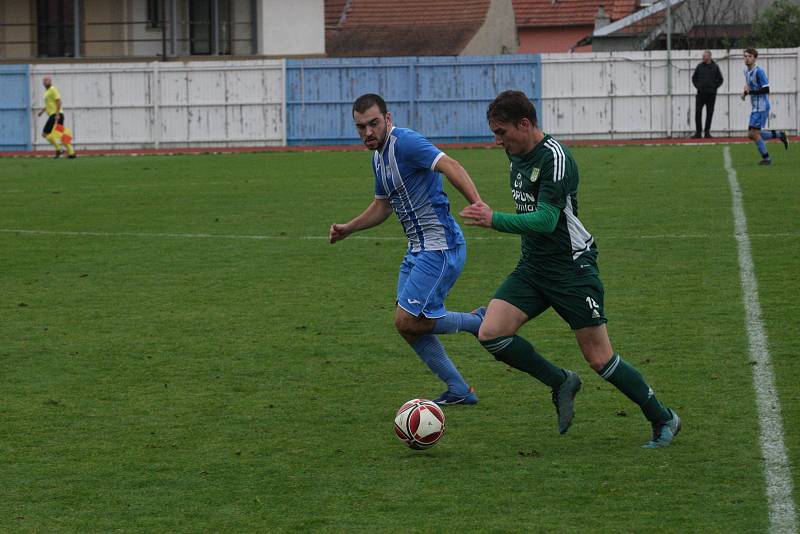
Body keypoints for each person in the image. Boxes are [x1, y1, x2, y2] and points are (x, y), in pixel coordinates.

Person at [459, 90, 680, 448]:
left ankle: (663, 417)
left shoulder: (556, 158)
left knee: (598, 357)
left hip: (571, 268)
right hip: (533, 267)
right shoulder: (516, 155)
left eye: (501, 132)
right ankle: (561, 381)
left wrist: (493, 219)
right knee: (492, 333)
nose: (497, 140)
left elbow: (547, 220)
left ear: (525, 124)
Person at [329, 93, 485, 406]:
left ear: (387, 119)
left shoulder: (406, 143)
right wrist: (349, 228)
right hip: (417, 249)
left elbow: (450, 165)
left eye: (374, 123)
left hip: (441, 247)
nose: (368, 132)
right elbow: (382, 206)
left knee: (407, 320)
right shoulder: (378, 157)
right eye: (361, 127)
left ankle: (477, 323)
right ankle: (459, 390)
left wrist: (477, 203)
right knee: (407, 327)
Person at [742, 48, 788, 165]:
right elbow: (749, 84)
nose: (747, 58)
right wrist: (745, 92)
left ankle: (767, 158)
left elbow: (766, 89)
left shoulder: (759, 71)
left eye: (749, 56)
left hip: (762, 106)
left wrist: (750, 93)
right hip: (755, 106)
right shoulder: (746, 71)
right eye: (745, 56)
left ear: (754, 58)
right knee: (752, 134)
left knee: (753, 134)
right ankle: (780, 135)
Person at [37, 77, 76, 159]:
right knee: (61, 135)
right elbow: (49, 104)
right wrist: (42, 111)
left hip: (55, 115)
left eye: (46, 80)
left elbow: (58, 101)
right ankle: (71, 152)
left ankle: (59, 149)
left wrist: (57, 114)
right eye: (43, 81)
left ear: (50, 81)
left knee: (45, 134)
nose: (44, 82)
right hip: (55, 115)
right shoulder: (47, 92)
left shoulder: (53, 89)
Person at [691, 50, 723, 138]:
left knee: (709, 113)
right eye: (703, 56)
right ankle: (698, 133)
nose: (703, 57)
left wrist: (714, 87)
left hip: (711, 95)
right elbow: (694, 78)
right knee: (698, 112)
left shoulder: (715, 67)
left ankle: (707, 132)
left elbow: (720, 79)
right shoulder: (699, 66)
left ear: (709, 57)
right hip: (700, 94)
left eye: (705, 56)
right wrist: (698, 87)